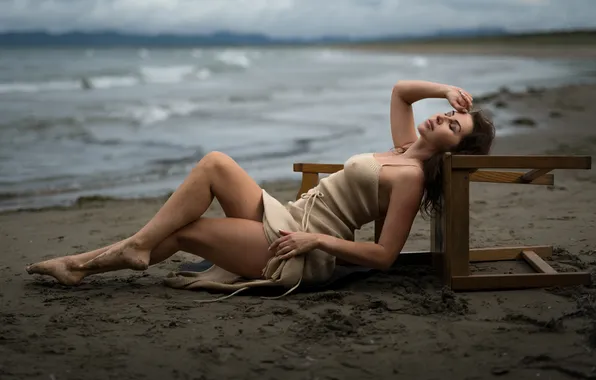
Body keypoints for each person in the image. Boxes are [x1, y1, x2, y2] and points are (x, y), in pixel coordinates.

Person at [26, 80, 495, 298]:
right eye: (449, 113)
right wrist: (446, 88)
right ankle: (118, 254)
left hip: (298, 246)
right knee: (215, 163)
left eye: (453, 126)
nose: (442, 117)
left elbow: (385, 255)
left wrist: (316, 240)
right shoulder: (404, 146)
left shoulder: (411, 177)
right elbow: (399, 92)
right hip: (288, 214)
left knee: (188, 230)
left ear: (451, 151)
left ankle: (87, 264)